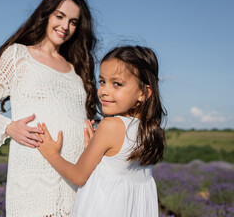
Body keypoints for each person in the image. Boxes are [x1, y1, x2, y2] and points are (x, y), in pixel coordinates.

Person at [0, 0, 97, 217]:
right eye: (60, 16)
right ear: (46, 14)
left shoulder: (77, 70)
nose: (65, 26)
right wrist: (8, 127)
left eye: (73, 22)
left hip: (75, 182)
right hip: (34, 178)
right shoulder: (18, 55)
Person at [36, 45, 166, 217]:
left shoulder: (110, 126)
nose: (104, 91)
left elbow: (78, 177)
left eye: (117, 84)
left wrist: (52, 154)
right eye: (102, 81)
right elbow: (118, 170)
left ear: (143, 92)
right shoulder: (151, 132)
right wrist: (95, 150)